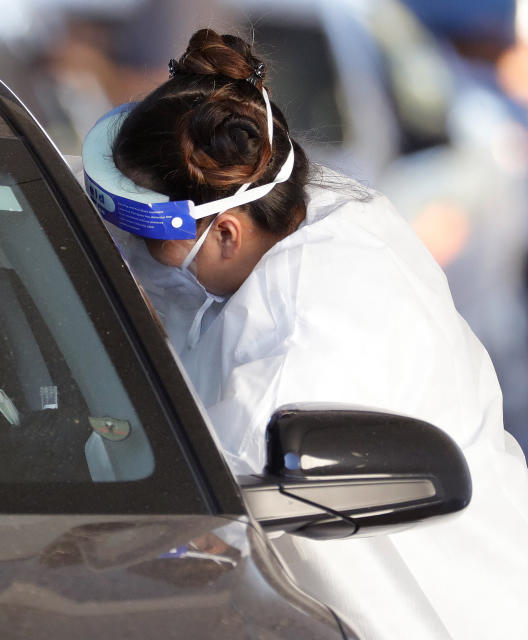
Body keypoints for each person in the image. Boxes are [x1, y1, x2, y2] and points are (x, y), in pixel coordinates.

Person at [82, 28, 528, 640]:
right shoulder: (288, 203)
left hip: (431, 613)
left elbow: (203, 520)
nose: (138, 254)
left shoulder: (299, 340)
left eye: (150, 237)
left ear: (227, 236)